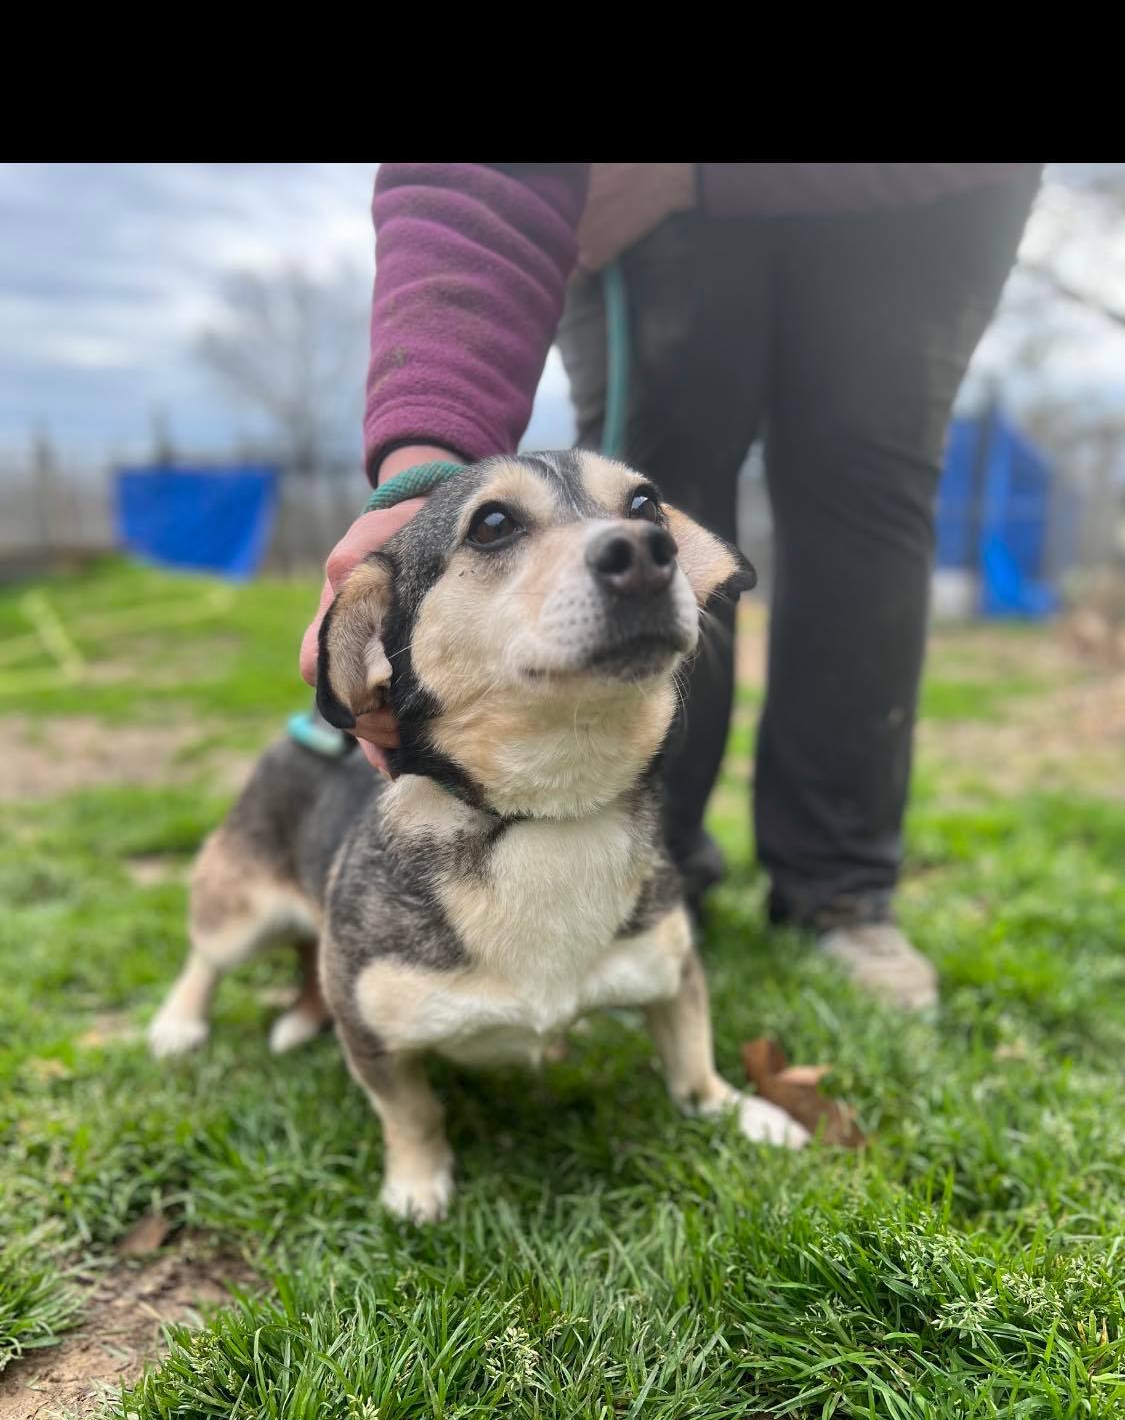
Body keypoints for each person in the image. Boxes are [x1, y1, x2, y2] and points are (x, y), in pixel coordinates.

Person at [300, 162, 1041, 1010]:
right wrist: (419, 479)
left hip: (926, 195)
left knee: (864, 502)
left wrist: (704, 175)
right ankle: (651, 873)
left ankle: (839, 892)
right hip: (637, 213)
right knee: (653, 468)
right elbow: (473, 179)